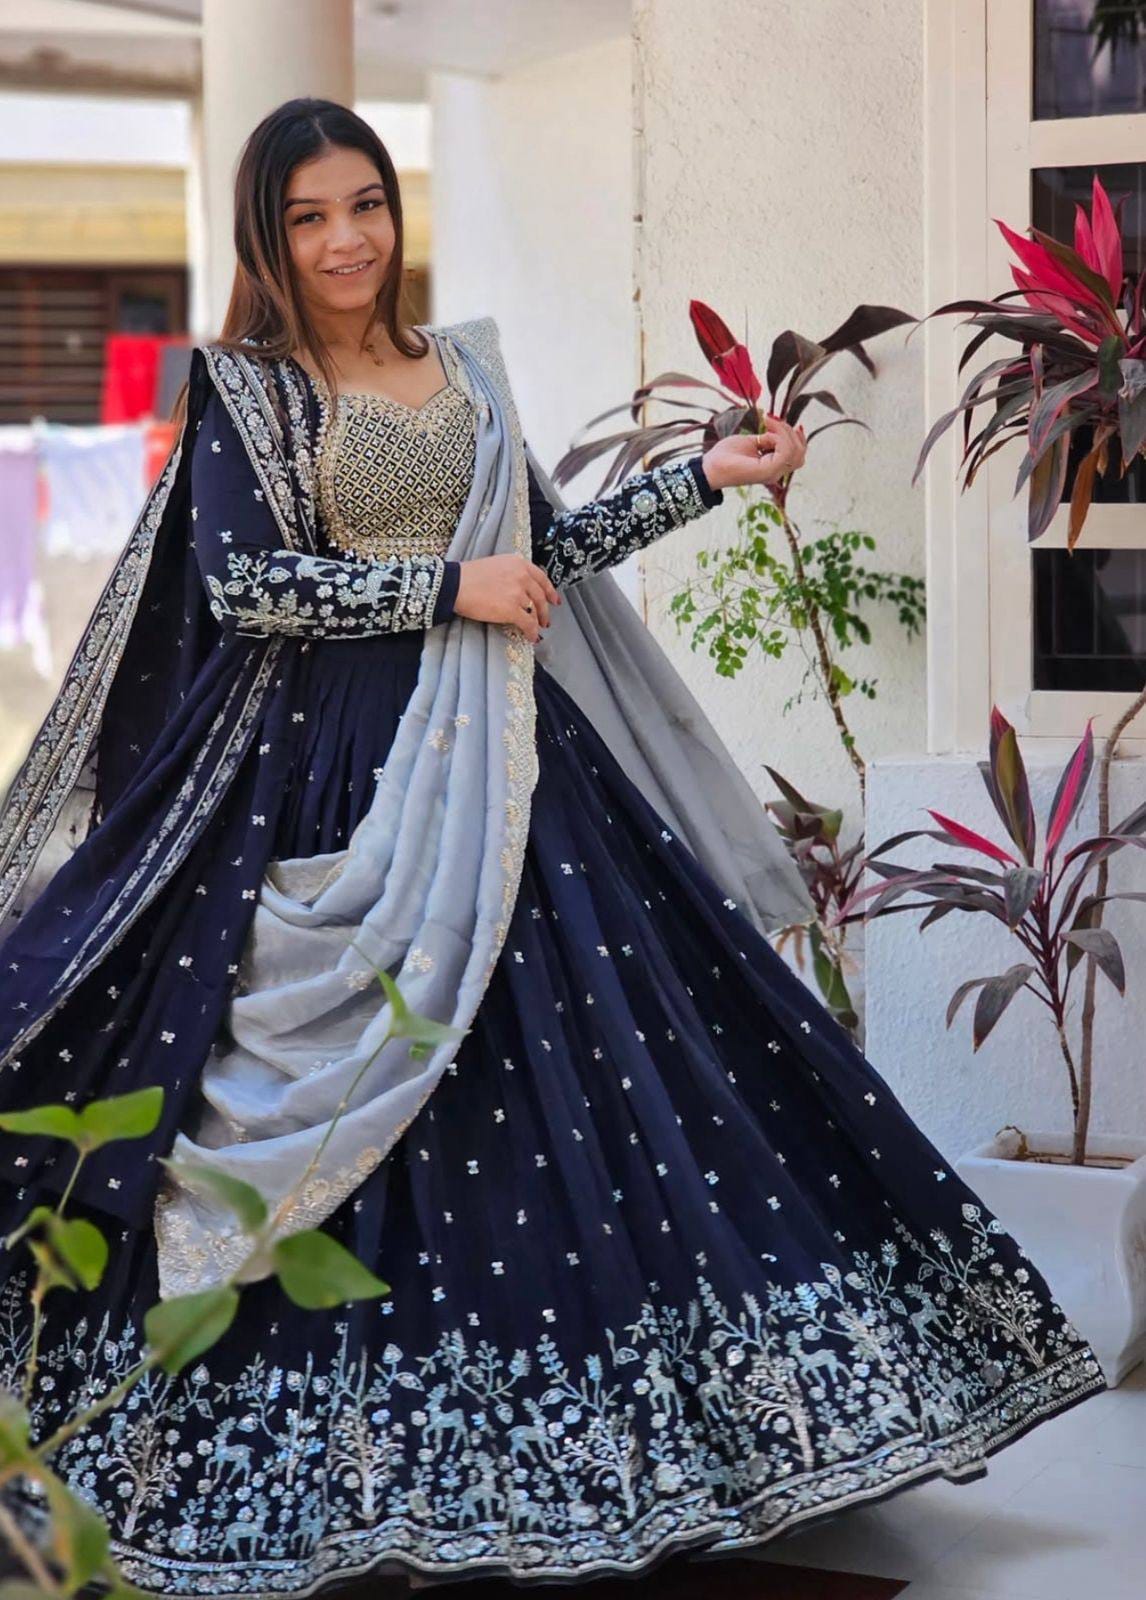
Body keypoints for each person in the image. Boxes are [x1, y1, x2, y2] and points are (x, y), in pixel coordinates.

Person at [0, 98, 1103, 1597]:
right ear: (267, 235)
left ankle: (674, 1437)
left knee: (620, 1068)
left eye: (365, 203)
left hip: (516, 769)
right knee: (369, 1090)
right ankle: (341, 1459)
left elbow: (545, 554)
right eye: (309, 217)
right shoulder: (246, 392)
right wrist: (443, 590)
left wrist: (702, 481)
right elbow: (249, 582)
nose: (345, 239)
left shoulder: (461, 368)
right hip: (343, 781)